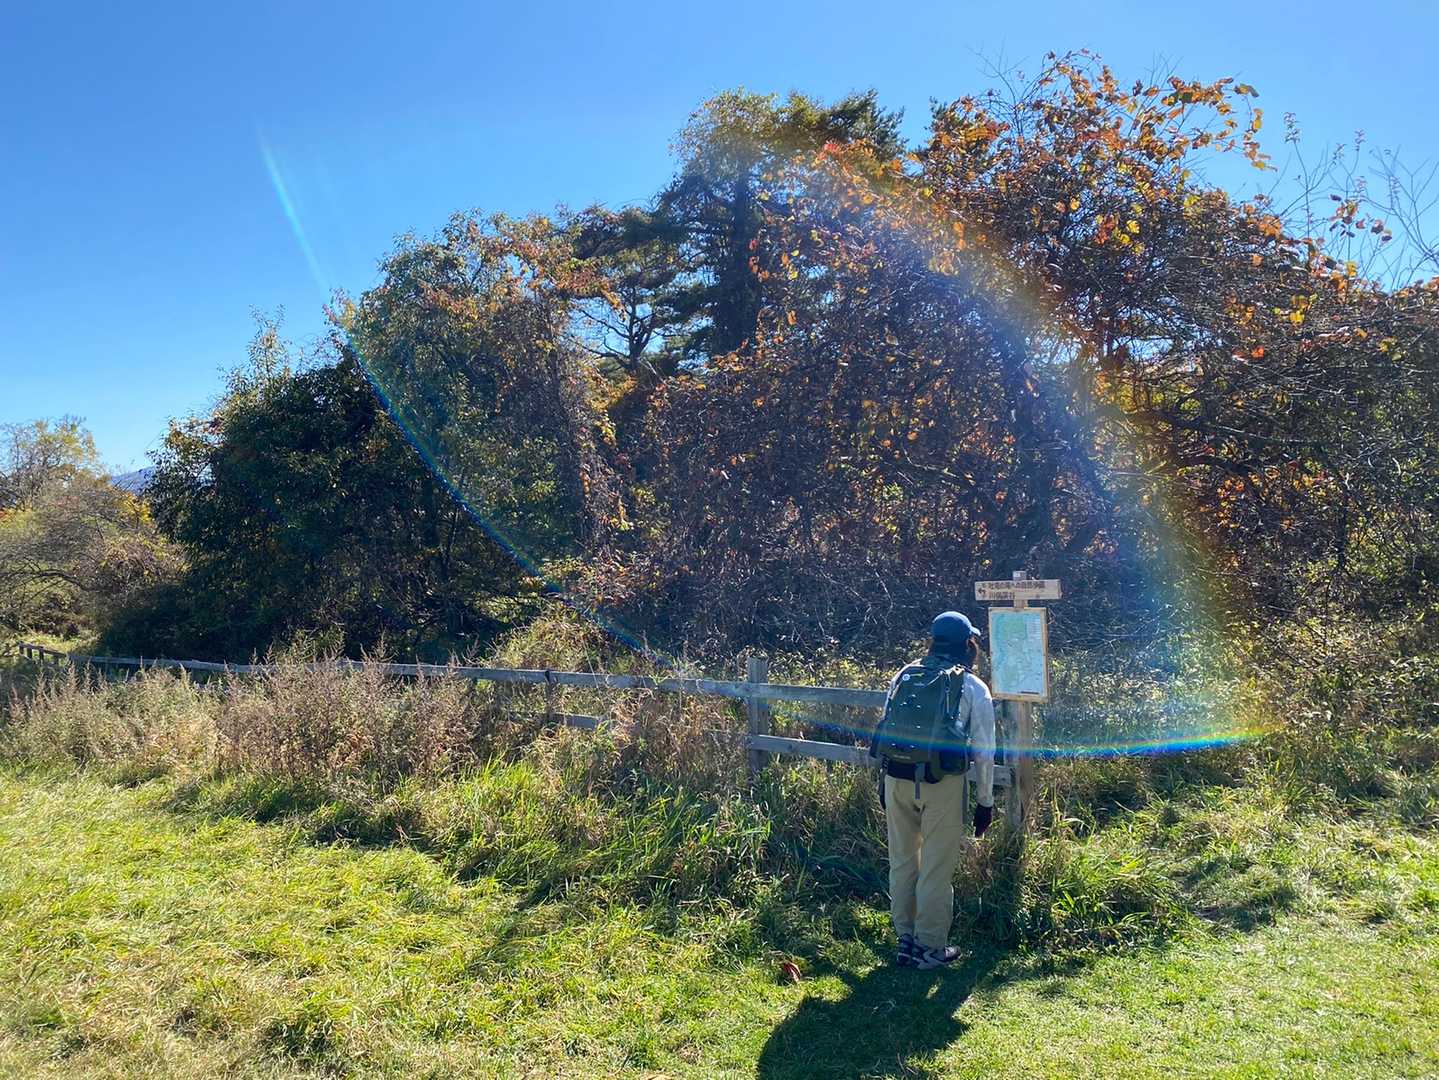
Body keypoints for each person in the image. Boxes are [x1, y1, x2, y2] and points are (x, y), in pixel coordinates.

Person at [873, 610, 996, 970]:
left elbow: (888, 727)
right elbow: (984, 751)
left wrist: (883, 782)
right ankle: (929, 947)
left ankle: (905, 938)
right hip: (942, 782)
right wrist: (985, 802)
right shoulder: (973, 687)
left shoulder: (905, 674)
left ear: (933, 640)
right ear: (967, 644)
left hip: (896, 777)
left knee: (902, 861)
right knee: (936, 868)